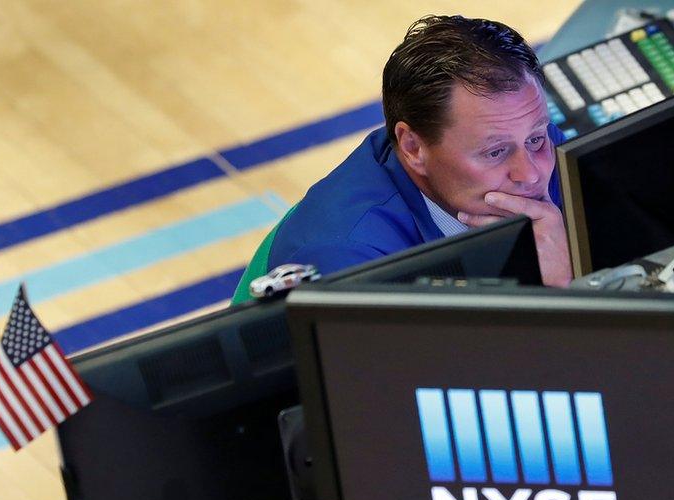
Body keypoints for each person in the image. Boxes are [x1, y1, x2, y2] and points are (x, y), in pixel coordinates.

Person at [233, 15, 572, 303]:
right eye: (494, 152)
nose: (530, 173)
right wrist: (560, 293)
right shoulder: (350, 265)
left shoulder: (527, 140)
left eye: (536, 138)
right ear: (412, 148)